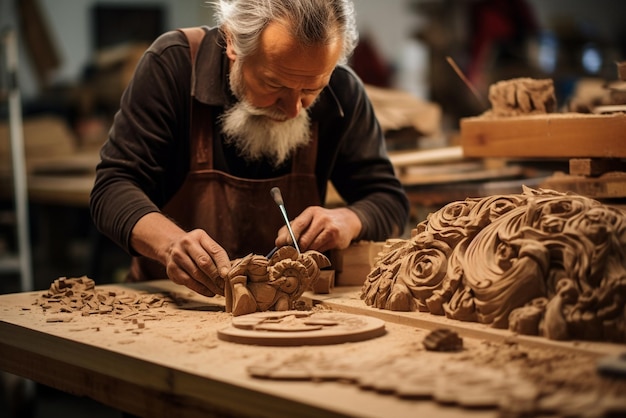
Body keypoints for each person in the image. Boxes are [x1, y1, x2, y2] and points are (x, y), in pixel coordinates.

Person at [90, 0, 410, 298]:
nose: (294, 109)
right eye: (274, 85)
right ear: (231, 42)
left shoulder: (343, 90)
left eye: (312, 89)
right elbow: (113, 188)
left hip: (289, 308)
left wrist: (349, 220)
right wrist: (169, 244)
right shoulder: (173, 65)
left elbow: (388, 200)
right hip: (175, 303)